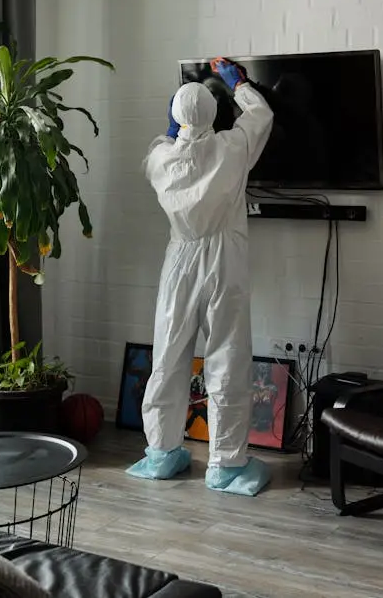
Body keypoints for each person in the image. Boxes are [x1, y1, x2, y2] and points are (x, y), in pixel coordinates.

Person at [126, 57, 275, 496]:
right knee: (226, 354)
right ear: (214, 113)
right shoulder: (232, 148)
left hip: (180, 256)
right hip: (223, 257)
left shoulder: (159, 160)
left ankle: (161, 452)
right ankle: (226, 464)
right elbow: (261, 115)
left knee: (169, 353)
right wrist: (239, 84)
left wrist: (177, 127)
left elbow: (166, 142)